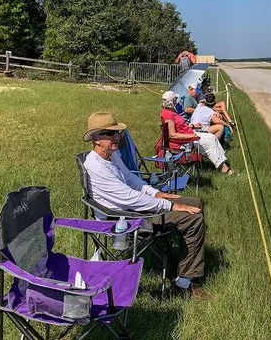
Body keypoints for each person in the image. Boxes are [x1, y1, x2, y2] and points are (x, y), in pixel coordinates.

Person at [82, 112, 210, 299]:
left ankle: (182, 260)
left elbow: (130, 179)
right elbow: (128, 198)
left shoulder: (111, 155)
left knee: (195, 202)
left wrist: (154, 192)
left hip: (132, 206)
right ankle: (184, 282)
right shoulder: (95, 166)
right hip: (122, 217)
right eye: (110, 134)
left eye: (117, 133)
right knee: (193, 219)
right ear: (96, 139)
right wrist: (169, 205)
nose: (116, 137)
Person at [161, 91, 228, 173]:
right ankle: (223, 167)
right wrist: (191, 136)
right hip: (182, 142)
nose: (176, 101)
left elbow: (180, 126)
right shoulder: (168, 115)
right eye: (175, 99)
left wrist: (193, 125)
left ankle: (221, 161)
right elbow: (172, 135)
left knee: (212, 137)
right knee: (209, 142)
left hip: (187, 136)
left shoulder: (171, 111)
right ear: (172, 101)